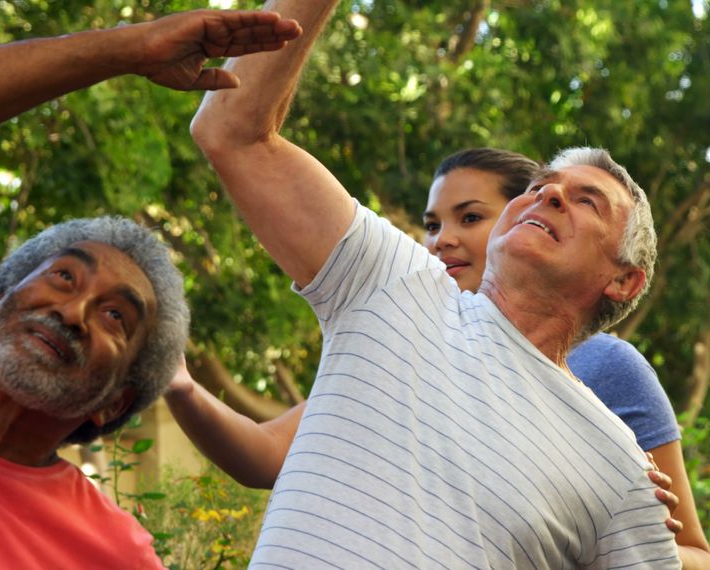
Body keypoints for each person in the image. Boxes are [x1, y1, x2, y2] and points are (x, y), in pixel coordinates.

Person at [191, 1, 681, 567]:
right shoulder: (396, 282)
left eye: (586, 201)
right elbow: (232, 130)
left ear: (624, 280)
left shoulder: (620, 466)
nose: (550, 195)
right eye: (543, 185)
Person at [0, 10, 301, 569]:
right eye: (64, 276)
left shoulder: (111, 553)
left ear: (113, 402)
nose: (74, 311)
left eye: (116, 317)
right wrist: (128, 51)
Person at [167, 148, 710, 567]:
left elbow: (683, 552)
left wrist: (612, 518)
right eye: (433, 225)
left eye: (469, 218)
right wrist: (179, 384)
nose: (442, 241)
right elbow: (266, 454)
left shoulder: (608, 380)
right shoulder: (401, 319)